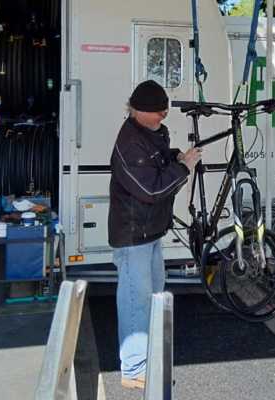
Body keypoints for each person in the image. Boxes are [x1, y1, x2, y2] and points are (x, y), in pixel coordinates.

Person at [108, 80, 201, 389]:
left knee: (152, 297)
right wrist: (184, 168)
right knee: (136, 300)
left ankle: (146, 358)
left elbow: (159, 163)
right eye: (158, 112)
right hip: (134, 235)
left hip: (150, 232)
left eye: (164, 110)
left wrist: (175, 157)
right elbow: (150, 188)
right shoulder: (130, 142)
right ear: (139, 111)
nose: (164, 115)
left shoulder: (150, 132)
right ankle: (134, 371)